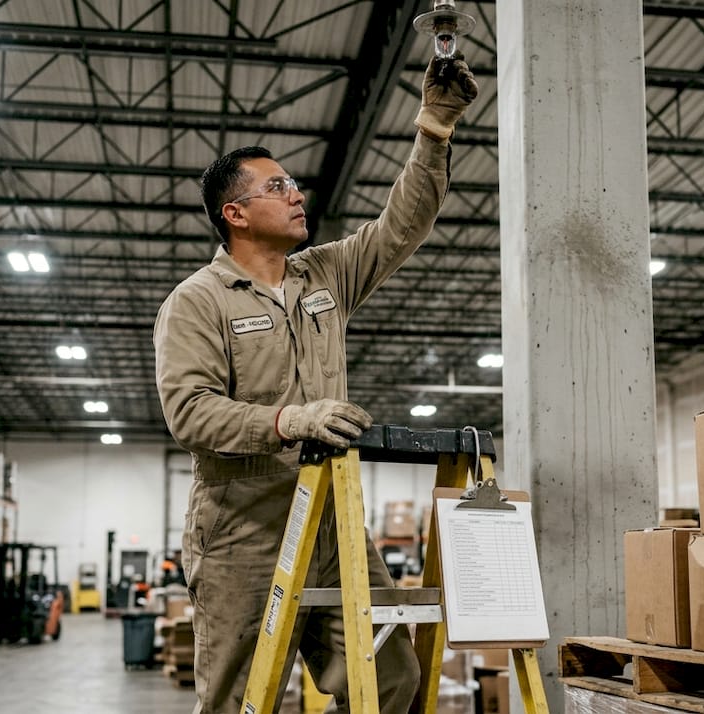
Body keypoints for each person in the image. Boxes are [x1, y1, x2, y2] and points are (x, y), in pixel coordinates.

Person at [154, 52, 477, 714]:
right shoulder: (198, 301)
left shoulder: (323, 275)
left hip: (333, 521)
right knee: (240, 702)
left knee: (392, 679)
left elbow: (402, 226)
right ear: (234, 213)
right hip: (244, 529)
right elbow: (190, 412)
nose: (296, 194)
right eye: (277, 187)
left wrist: (434, 127)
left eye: (294, 184)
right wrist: (288, 421)